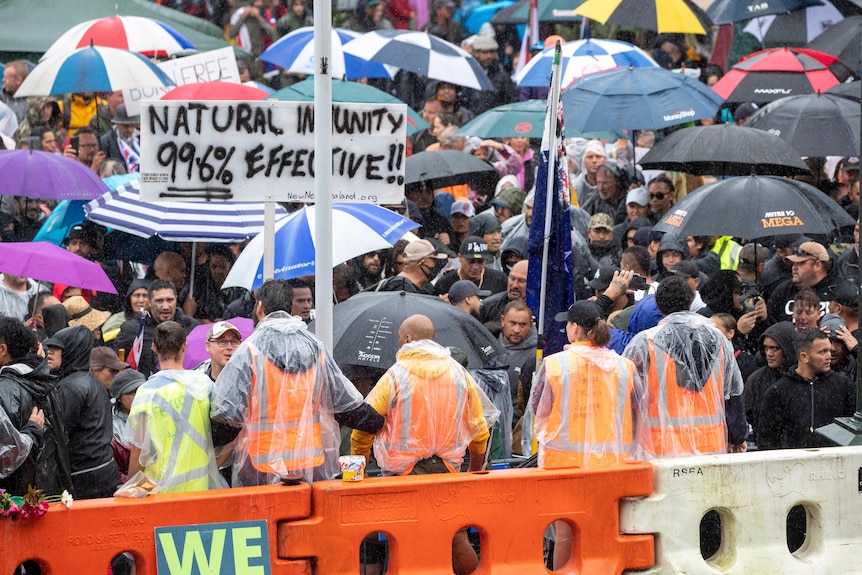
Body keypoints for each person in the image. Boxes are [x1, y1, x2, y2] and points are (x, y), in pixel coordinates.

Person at [351, 314, 497, 575]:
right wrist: (474, 473)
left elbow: (363, 428)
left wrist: (358, 471)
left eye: (399, 339)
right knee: (455, 536)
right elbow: (479, 431)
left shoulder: (395, 377)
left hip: (401, 476)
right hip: (448, 473)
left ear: (407, 339)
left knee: (402, 536)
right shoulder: (458, 374)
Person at [210, 279, 384, 485]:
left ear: (259, 308)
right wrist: (379, 422)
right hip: (310, 460)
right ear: (290, 307)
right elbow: (345, 404)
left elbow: (226, 417)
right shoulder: (314, 346)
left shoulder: (249, 351)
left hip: (261, 463)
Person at [530, 300, 637, 570]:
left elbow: (536, 407)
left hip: (563, 466)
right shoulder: (625, 367)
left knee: (566, 532)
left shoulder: (555, 364)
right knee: (606, 530)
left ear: (574, 328)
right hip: (613, 466)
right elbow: (635, 412)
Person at [622, 276, 748, 458]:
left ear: (659, 306)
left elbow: (628, 397)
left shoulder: (644, 342)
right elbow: (734, 392)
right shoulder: (718, 339)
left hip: (661, 449)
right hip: (710, 448)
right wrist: (737, 435)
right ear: (690, 301)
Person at [128, 321, 226, 492]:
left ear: (153, 347)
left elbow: (138, 451)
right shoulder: (204, 385)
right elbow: (224, 435)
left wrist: (132, 488)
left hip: (160, 492)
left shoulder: (146, 393)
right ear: (184, 346)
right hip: (199, 489)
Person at [44, 325, 120, 498]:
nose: (50, 352)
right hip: (103, 471)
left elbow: (57, 435)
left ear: (71, 350)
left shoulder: (70, 387)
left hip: (85, 478)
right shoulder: (90, 381)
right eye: (49, 347)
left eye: (56, 348)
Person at [0, 317, 71, 496]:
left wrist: (30, 434)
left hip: (14, 500)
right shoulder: (43, 380)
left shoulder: (5, 388)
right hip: (47, 491)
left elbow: (6, 456)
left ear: (2, 350)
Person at [757, 328, 856, 450]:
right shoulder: (778, 391)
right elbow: (766, 439)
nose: (829, 356)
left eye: (829, 350)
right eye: (822, 352)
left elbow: (853, 430)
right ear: (804, 357)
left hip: (836, 462)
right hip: (793, 464)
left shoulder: (843, 385)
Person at [113, 279, 199, 377]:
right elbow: (116, 362)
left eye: (170, 300)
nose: (165, 306)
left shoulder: (192, 327)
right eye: (159, 301)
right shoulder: (133, 329)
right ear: (149, 302)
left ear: (176, 299)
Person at [768, 241, 834, 324]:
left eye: (801, 263)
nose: (794, 267)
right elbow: (771, 326)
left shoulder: (839, 291)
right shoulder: (784, 290)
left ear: (818, 265)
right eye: (794, 263)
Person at [368, 239, 447, 295]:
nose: (435, 265)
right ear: (422, 262)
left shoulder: (414, 288)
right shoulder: (401, 288)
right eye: (433, 260)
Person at [434, 236, 507, 296]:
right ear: (460, 257)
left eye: (480, 261)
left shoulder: (499, 280)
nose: (475, 267)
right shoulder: (445, 283)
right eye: (471, 261)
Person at [109, 368, 145, 480]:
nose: (138, 396)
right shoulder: (111, 423)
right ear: (119, 397)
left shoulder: (155, 414)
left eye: (141, 390)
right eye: (131, 392)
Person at [99, 104, 140, 173]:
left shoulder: (141, 138)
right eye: (125, 126)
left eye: (132, 126)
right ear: (117, 123)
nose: (129, 130)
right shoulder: (106, 141)